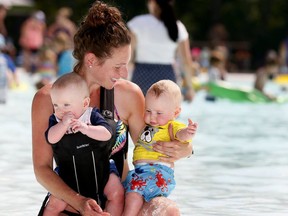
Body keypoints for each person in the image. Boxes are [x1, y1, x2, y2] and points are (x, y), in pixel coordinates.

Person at [32, 1, 193, 215]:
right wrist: (80, 203)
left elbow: (151, 145)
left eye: (126, 64)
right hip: (69, 200)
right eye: (118, 66)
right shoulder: (47, 99)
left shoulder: (128, 94)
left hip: (120, 199)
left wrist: (186, 149)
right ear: (91, 60)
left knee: (167, 211)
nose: (125, 73)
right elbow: (42, 169)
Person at [43, 73, 124, 216]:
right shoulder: (56, 120)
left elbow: (107, 133)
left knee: (117, 192)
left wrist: (86, 128)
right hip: (68, 178)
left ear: (85, 104)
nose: (60, 110)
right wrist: (63, 125)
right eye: (56, 105)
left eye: (66, 105)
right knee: (54, 203)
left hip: (101, 172)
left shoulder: (92, 116)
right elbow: (51, 138)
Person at [122, 80, 198, 216]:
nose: (152, 117)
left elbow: (181, 136)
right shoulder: (148, 126)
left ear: (175, 113)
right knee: (132, 198)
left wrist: (188, 132)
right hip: (141, 174)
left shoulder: (171, 126)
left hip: (157, 174)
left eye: (159, 113)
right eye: (148, 110)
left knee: (134, 199)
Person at [127, 0, 195, 102]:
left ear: (153, 3)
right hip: (167, 75)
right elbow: (186, 61)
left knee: (140, 112)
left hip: (141, 74)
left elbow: (128, 56)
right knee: (167, 115)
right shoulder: (178, 26)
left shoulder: (137, 23)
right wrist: (190, 87)